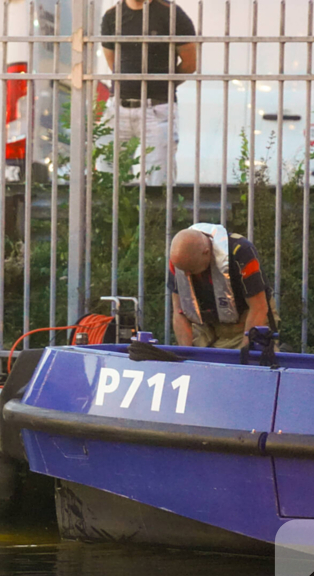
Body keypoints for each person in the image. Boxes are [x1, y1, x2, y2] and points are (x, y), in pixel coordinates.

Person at [100, 0, 197, 185]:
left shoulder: (171, 13)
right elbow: (114, 64)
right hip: (118, 107)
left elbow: (190, 63)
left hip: (157, 108)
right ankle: (115, 214)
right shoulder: (112, 16)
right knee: (108, 175)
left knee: (157, 179)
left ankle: (155, 215)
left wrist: (162, 86)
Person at [167, 224, 278, 349]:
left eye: (191, 270)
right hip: (203, 325)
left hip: (243, 325)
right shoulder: (180, 260)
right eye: (183, 271)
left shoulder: (241, 252)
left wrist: (245, 355)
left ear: (206, 253)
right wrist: (186, 355)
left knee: (255, 361)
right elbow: (179, 311)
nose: (186, 274)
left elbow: (259, 308)